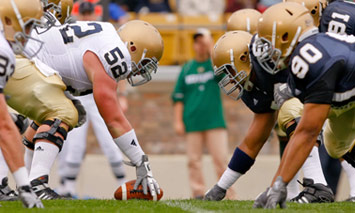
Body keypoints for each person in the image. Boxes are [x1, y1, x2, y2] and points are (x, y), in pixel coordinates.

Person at [9, 17, 163, 200]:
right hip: (18, 59)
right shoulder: (117, 53)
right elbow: (112, 117)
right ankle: (36, 186)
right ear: (133, 47)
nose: (139, 72)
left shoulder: (104, 34)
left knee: (52, 112)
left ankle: (25, 186)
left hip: (20, 57)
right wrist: (140, 161)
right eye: (144, 64)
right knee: (64, 112)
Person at [204, 9, 333, 203]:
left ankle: (316, 184)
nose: (230, 79)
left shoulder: (269, 60)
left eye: (229, 71)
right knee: (339, 144)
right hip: (322, 96)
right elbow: (252, 143)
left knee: (290, 110)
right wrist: (220, 187)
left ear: (243, 58)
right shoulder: (256, 82)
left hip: (333, 82)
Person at [252, 2, 355, 208]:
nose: (267, 49)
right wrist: (279, 183)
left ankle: (317, 187)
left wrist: (279, 184)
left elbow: (307, 132)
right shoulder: (316, 48)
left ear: (285, 36)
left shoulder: (312, 60)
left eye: (269, 41)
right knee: (335, 144)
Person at [56, 1, 128, 197]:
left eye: (89, 13)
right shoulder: (70, 33)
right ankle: (68, 188)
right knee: (74, 144)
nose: (87, 17)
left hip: (100, 93)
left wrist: (121, 94)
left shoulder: (104, 33)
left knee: (110, 140)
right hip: (79, 93)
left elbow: (117, 67)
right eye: (84, 13)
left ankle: (124, 184)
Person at [172, 29, 235, 199]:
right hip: (192, 121)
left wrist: (211, 49)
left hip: (215, 121)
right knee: (193, 161)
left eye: (203, 42)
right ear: (193, 45)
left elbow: (227, 77)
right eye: (197, 42)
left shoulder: (214, 66)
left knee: (221, 160)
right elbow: (178, 97)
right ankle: (198, 192)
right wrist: (178, 121)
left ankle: (227, 193)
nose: (200, 46)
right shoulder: (187, 69)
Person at [0, 0, 44, 208]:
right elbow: (3, 126)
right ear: (8, 20)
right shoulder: (3, 52)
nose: (29, 33)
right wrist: (24, 186)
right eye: (28, 25)